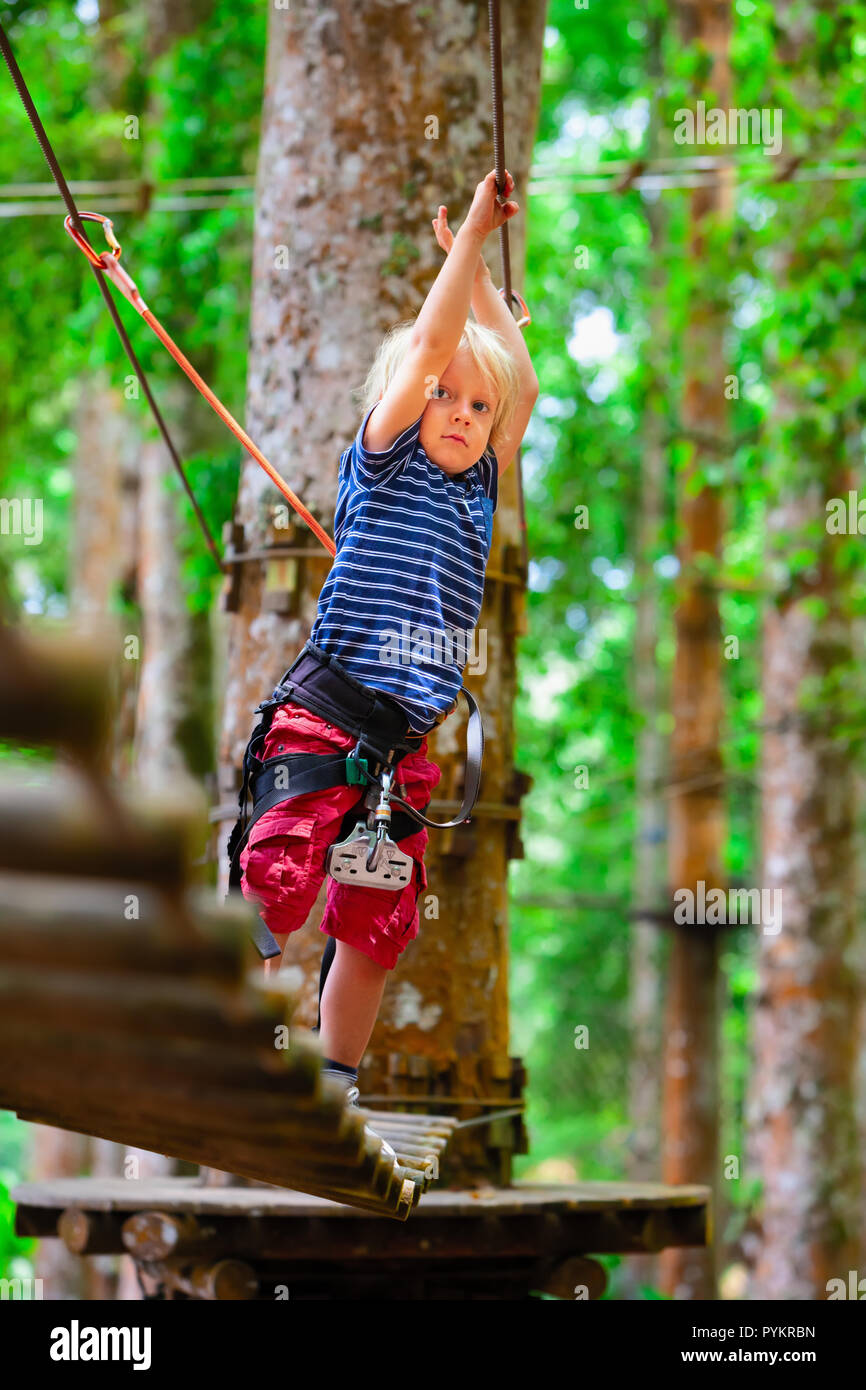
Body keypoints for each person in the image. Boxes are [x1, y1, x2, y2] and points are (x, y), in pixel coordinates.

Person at [238, 169, 539, 1104]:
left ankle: (335, 1079)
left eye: (475, 408)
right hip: (326, 713)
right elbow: (433, 346)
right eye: (443, 395)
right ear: (407, 399)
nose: (460, 410)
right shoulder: (387, 456)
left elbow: (517, 378)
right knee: (276, 879)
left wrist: (483, 272)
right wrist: (467, 246)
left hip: (402, 747)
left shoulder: (481, 483)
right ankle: (238, 1049)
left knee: (375, 924)